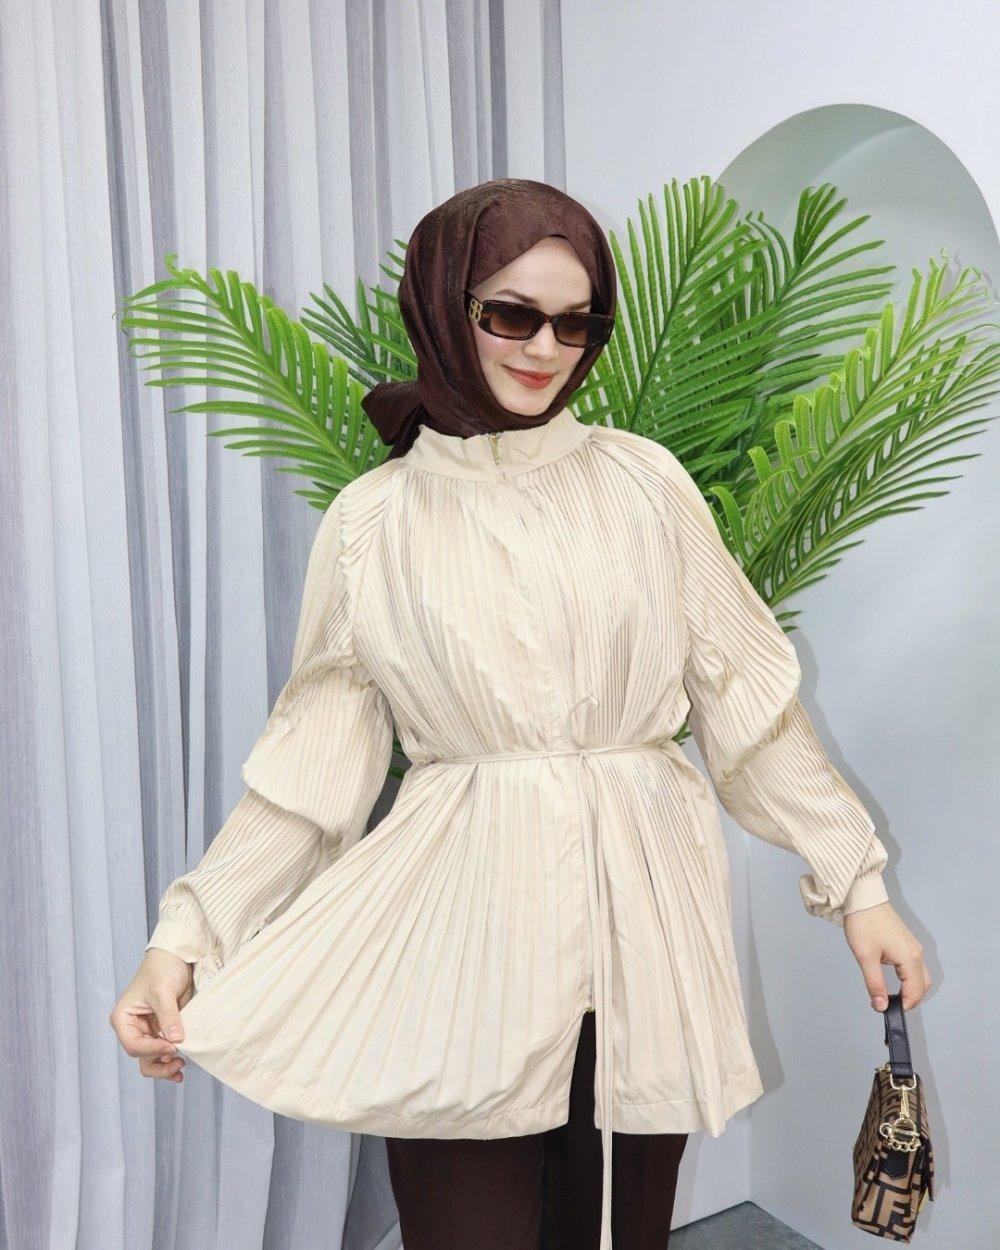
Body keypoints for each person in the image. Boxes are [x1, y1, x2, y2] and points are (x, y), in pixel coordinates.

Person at [110, 178, 931, 1250]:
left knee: (618, 1226)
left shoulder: (644, 484)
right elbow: (310, 773)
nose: (546, 347)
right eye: (511, 314)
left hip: (642, 920)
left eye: (576, 321)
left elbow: (748, 703)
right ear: (444, 308)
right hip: (464, 929)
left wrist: (859, 886)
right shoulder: (374, 522)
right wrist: (183, 939)